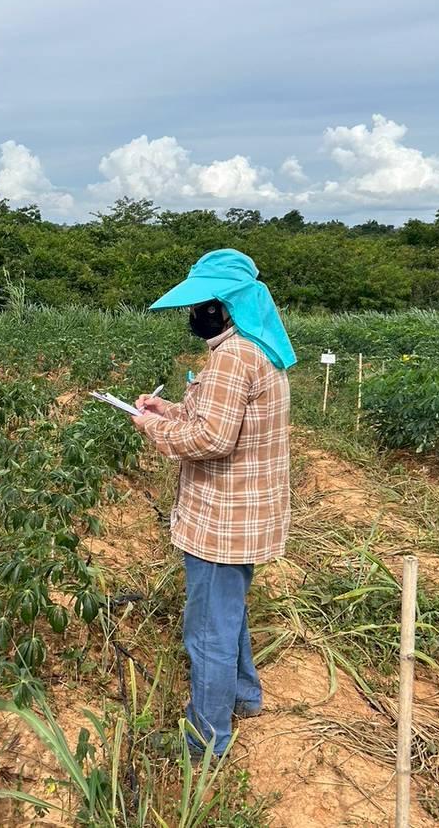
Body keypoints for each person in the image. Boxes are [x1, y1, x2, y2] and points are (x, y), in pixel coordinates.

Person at [131, 249, 294, 759]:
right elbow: (218, 418)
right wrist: (167, 408)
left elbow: (212, 439)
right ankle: (243, 695)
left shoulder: (231, 358)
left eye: (201, 305)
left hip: (222, 519)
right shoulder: (254, 349)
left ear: (223, 306)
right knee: (228, 614)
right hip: (246, 515)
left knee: (207, 632)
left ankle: (206, 740)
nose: (193, 314)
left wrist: (150, 427)